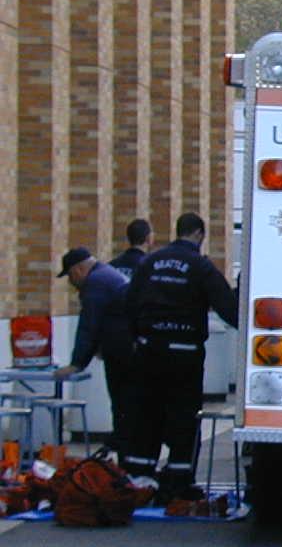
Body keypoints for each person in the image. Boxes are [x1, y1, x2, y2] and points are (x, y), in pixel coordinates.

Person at [124, 213, 239, 504]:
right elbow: (227, 308)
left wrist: (136, 338)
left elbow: (129, 303)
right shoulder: (201, 267)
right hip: (184, 354)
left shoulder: (149, 263)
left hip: (149, 350)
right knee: (183, 418)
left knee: (145, 414)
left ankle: (140, 477)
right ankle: (178, 481)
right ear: (199, 234)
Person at [54, 248, 136, 458]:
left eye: (70, 276)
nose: (72, 283)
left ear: (79, 269)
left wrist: (77, 363)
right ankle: (126, 454)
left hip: (123, 353)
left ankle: (126, 459)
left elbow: (89, 325)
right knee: (128, 408)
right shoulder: (107, 274)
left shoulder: (96, 283)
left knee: (123, 407)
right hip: (131, 348)